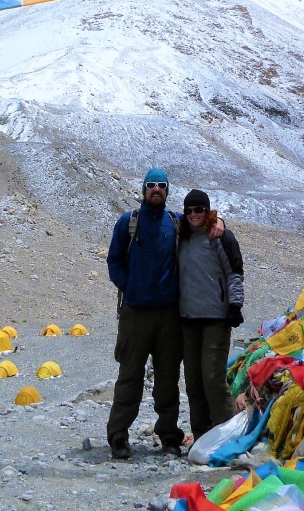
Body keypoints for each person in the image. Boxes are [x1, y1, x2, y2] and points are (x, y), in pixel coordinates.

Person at [105, 168, 223, 459]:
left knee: (168, 378)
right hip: (135, 314)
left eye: (161, 185)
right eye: (151, 185)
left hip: (169, 315)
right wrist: (130, 288)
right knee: (129, 376)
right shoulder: (128, 222)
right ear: (144, 190)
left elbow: (203, 223)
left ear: (167, 191)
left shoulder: (176, 222)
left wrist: (220, 219)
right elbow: (114, 261)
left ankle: (169, 435)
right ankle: (118, 436)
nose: (156, 189)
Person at [178, 189, 245, 445]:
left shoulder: (221, 236)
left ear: (207, 211)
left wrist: (235, 305)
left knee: (213, 378)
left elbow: (235, 272)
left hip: (216, 318)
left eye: (199, 209)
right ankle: (202, 436)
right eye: (189, 210)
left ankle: (227, 438)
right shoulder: (181, 235)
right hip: (188, 318)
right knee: (193, 381)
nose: (194, 214)